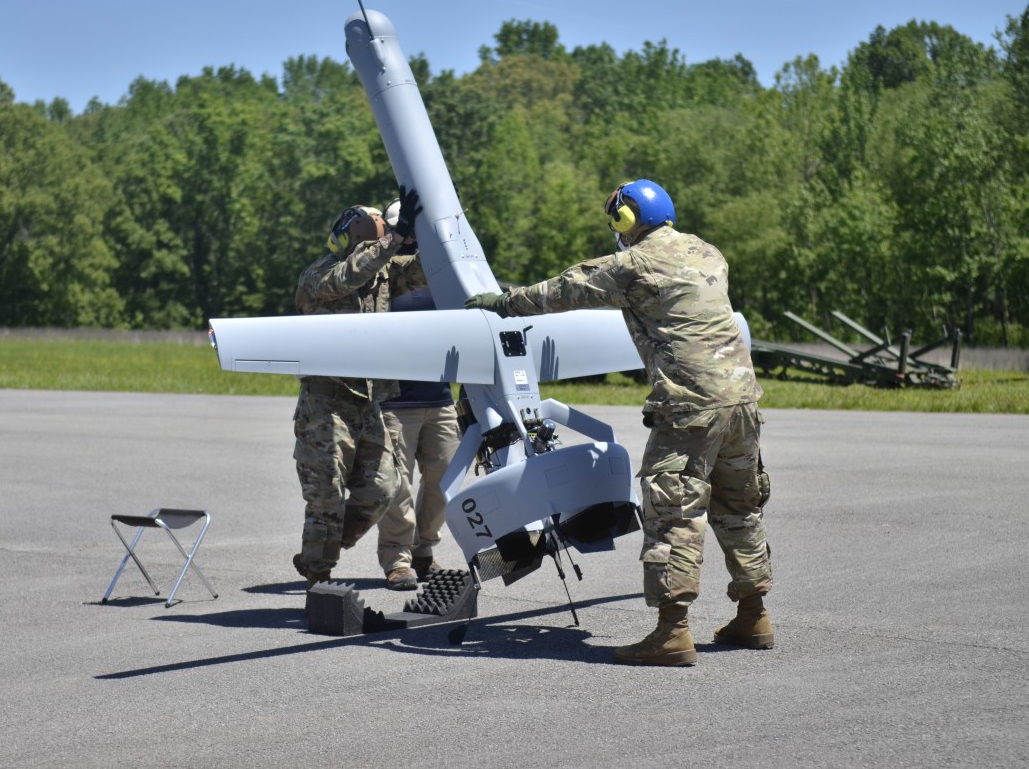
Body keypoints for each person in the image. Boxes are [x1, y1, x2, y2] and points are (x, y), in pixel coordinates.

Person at [463, 179, 773, 667]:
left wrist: (503, 302)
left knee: (673, 511)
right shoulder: (708, 252)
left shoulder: (634, 263)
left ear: (625, 220)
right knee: (740, 507)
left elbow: (565, 289)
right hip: (742, 402)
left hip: (689, 407)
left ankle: (672, 633)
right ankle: (753, 615)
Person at [292, 188, 426, 598]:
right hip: (325, 401)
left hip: (369, 401)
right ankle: (319, 577)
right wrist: (391, 242)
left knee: (382, 489)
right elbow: (347, 277)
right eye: (370, 243)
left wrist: (427, 234)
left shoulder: (386, 272)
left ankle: (328, 545)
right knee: (326, 493)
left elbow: (427, 271)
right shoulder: (319, 273)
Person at [375, 198, 463, 582]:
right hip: (396, 400)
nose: (413, 234)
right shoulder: (381, 271)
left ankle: (425, 548)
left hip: (439, 396)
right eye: (406, 227)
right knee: (397, 486)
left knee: (444, 480)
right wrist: (399, 240)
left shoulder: (441, 271)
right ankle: (398, 560)